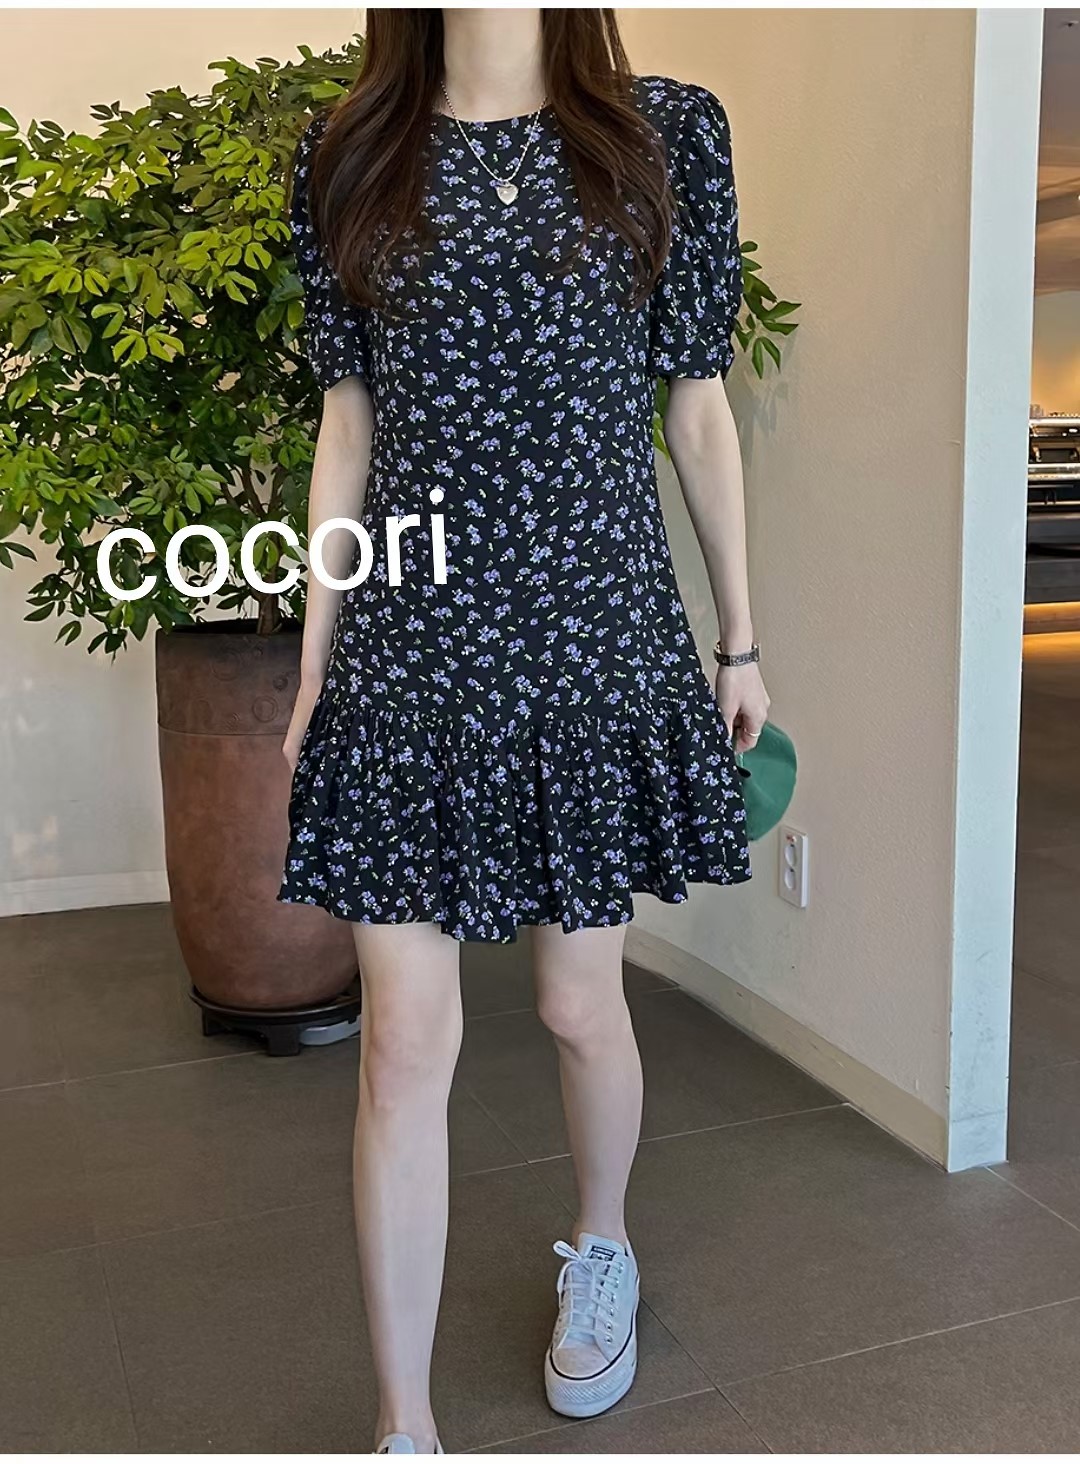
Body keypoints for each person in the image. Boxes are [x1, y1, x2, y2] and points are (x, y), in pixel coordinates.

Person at [278, 7, 768, 1454]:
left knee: (577, 1005)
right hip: (411, 645)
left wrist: (741, 640)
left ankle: (602, 1245)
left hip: (592, 637)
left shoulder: (666, 131)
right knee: (402, 1043)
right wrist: (314, 661)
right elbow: (348, 426)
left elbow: (697, 406)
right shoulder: (349, 147)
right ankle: (404, 1426)